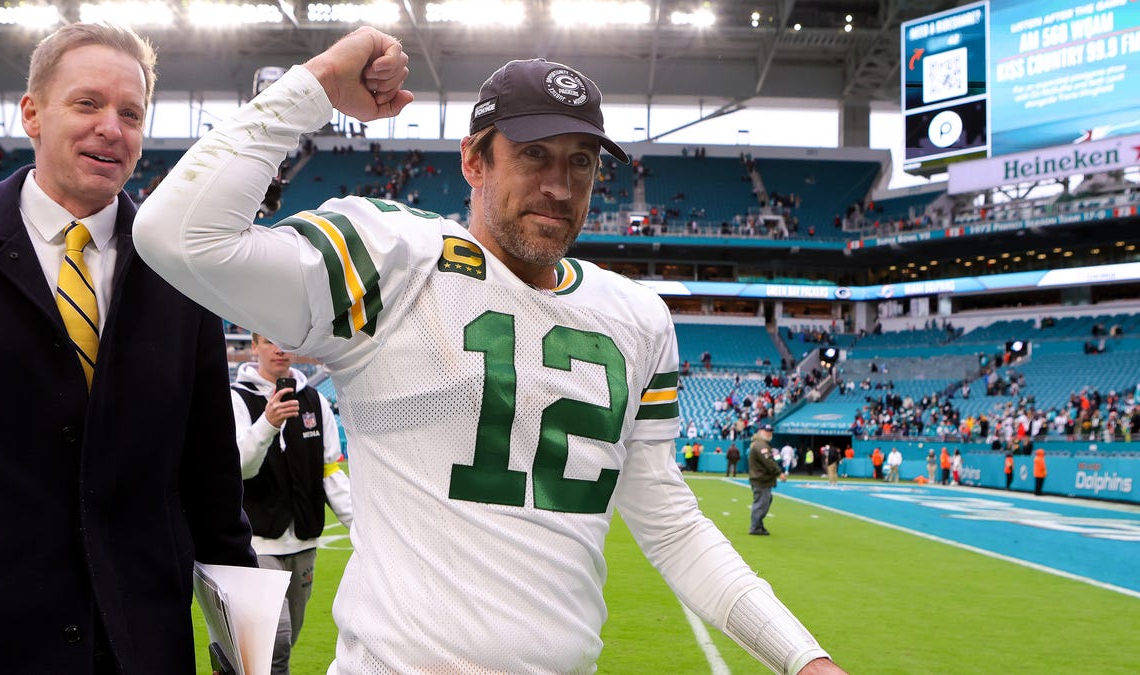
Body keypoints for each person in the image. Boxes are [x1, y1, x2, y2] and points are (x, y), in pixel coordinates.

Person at [134, 27, 843, 675]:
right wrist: (316, 84)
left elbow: (672, 524)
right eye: (533, 155)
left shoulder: (637, 317)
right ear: (474, 159)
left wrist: (803, 659)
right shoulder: (394, 258)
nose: (560, 185)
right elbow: (175, 235)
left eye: (582, 162)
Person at [0, 23, 256, 674]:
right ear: (32, 113)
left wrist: (246, 640)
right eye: (87, 104)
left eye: (131, 113)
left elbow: (211, 482)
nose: (111, 128)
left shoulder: (181, 271)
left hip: (139, 643)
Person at [232, 333, 355, 675]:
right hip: (257, 541)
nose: (279, 349)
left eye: (285, 341)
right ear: (254, 346)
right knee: (277, 639)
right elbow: (239, 467)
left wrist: (362, 530)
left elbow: (330, 472)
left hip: (304, 541)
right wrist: (268, 423)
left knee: (284, 638)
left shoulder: (314, 400)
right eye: (269, 341)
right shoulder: (236, 399)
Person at [747, 423, 786, 536]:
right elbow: (768, 461)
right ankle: (755, 526)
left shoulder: (759, 443)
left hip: (761, 478)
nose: (769, 433)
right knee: (761, 503)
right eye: (766, 431)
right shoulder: (761, 445)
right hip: (761, 478)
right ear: (760, 431)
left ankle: (757, 524)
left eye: (770, 431)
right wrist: (779, 472)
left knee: (765, 501)